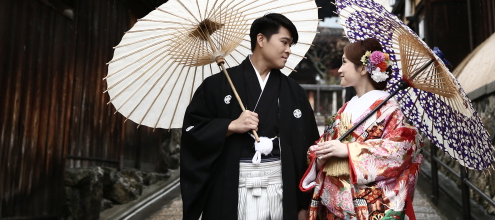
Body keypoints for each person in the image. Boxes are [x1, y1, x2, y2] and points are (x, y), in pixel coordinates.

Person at [181, 13, 320, 220]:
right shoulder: (217, 86)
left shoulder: (294, 92)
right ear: (261, 40)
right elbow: (192, 134)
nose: (289, 50)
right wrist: (229, 126)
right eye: (284, 42)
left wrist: (303, 203)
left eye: (290, 45)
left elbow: (308, 149)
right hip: (232, 187)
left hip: (281, 187)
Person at [300, 38, 423, 220]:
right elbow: (323, 143)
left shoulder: (390, 110)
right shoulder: (347, 107)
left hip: (364, 208)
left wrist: (349, 150)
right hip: (331, 205)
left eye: (344, 62)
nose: (340, 70)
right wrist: (320, 155)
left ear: (364, 68)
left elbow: (400, 151)